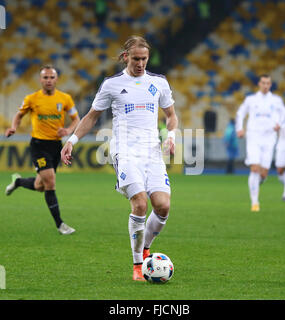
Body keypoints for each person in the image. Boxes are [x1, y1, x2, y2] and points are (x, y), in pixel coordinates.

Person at [61, 35, 178, 281]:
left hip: (151, 151)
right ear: (126, 57)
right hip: (124, 151)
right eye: (136, 58)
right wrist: (71, 141)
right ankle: (138, 265)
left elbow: (171, 115)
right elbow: (92, 117)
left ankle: (145, 248)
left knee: (163, 206)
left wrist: (171, 136)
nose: (140, 64)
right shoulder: (112, 84)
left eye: (144, 59)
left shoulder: (159, 82)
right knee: (139, 203)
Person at [5, 65, 80, 235]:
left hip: (55, 146)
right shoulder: (32, 98)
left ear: (56, 79)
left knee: (40, 185)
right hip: (38, 145)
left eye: (51, 77)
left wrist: (68, 131)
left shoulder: (65, 98)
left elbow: (76, 119)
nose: (48, 80)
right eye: (45, 77)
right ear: (40, 80)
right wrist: (13, 127)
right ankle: (60, 224)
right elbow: (19, 115)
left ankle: (18, 182)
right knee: (50, 182)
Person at [236, 74, 285, 212]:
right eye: (263, 83)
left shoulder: (276, 100)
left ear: (270, 85)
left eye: (268, 83)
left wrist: (279, 124)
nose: (265, 85)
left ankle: (259, 182)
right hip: (253, 136)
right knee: (255, 168)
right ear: (259, 84)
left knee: (263, 173)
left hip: (269, 138)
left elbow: (283, 114)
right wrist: (240, 128)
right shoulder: (251, 99)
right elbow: (241, 113)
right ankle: (255, 202)